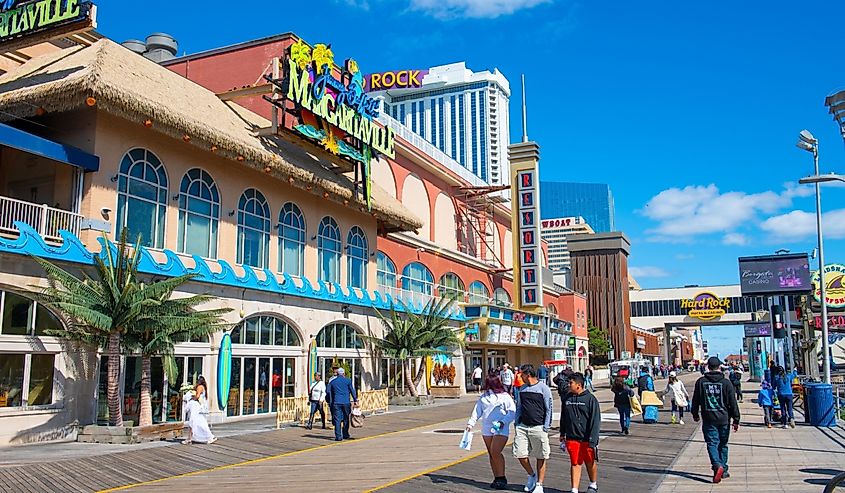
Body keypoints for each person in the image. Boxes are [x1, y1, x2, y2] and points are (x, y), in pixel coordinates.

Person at [691, 357, 740, 484]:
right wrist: (736, 419)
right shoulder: (726, 383)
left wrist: (695, 413)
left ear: (708, 366)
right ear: (719, 367)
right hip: (724, 418)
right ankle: (723, 469)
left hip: (708, 418)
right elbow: (733, 402)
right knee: (723, 444)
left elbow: (695, 399)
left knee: (712, 443)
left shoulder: (701, 382)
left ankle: (717, 465)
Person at [466, 374, 517, 490]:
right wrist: (470, 424)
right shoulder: (484, 397)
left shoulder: (505, 397)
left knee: (496, 451)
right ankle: (496, 477)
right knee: (491, 453)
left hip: (501, 427)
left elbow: (512, 412)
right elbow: (477, 411)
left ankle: (502, 477)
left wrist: (503, 422)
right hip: (487, 427)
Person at [513, 364, 553, 493]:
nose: (520, 377)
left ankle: (539, 484)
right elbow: (519, 406)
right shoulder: (522, 389)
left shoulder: (543, 388)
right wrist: (516, 422)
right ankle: (531, 474)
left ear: (527, 375)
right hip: (523, 426)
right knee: (520, 453)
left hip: (539, 426)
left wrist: (546, 426)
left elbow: (549, 408)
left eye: (522, 374)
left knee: (541, 456)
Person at [560, 373, 601, 493]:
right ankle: (574, 489)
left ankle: (593, 484)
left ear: (578, 385)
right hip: (572, 437)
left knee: (589, 462)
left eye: (571, 383)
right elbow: (564, 417)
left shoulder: (590, 399)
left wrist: (593, 440)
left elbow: (595, 420)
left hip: (587, 438)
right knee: (575, 462)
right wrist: (562, 433)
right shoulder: (567, 398)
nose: (569, 385)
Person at [326, 367, 358, 441]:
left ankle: (338, 436)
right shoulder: (348, 381)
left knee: (337, 420)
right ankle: (345, 434)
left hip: (336, 402)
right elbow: (352, 390)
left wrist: (330, 399)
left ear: (337, 374)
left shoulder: (333, 382)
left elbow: (328, 391)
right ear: (343, 373)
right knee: (346, 418)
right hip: (346, 402)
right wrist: (355, 400)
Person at [183, 376, 217, 445]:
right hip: (199, 407)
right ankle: (189, 438)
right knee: (194, 422)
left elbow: (197, 396)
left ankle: (209, 436)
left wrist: (191, 398)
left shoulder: (199, 387)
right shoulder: (203, 387)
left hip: (196, 407)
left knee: (195, 422)